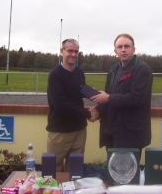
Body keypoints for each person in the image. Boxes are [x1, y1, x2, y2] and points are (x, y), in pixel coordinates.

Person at [90, 33, 153, 159]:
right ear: (115, 51)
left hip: (131, 134)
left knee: (128, 174)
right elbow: (108, 94)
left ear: (133, 49)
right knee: (113, 171)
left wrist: (107, 98)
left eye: (127, 46)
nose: (123, 49)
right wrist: (97, 111)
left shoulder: (143, 70)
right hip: (112, 131)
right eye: (120, 47)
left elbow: (137, 98)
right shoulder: (114, 70)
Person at [46, 38, 94, 172]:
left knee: (75, 169)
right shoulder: (55, 75)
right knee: (53, 170)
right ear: (62, 51)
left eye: (76, 51)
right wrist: (88, 114)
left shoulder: (79, 71)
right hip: (60, 131)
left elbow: (81, 88)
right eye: (70, 51)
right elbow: (61, 104)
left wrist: (99, 96)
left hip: (79, 130)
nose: (73, 54)